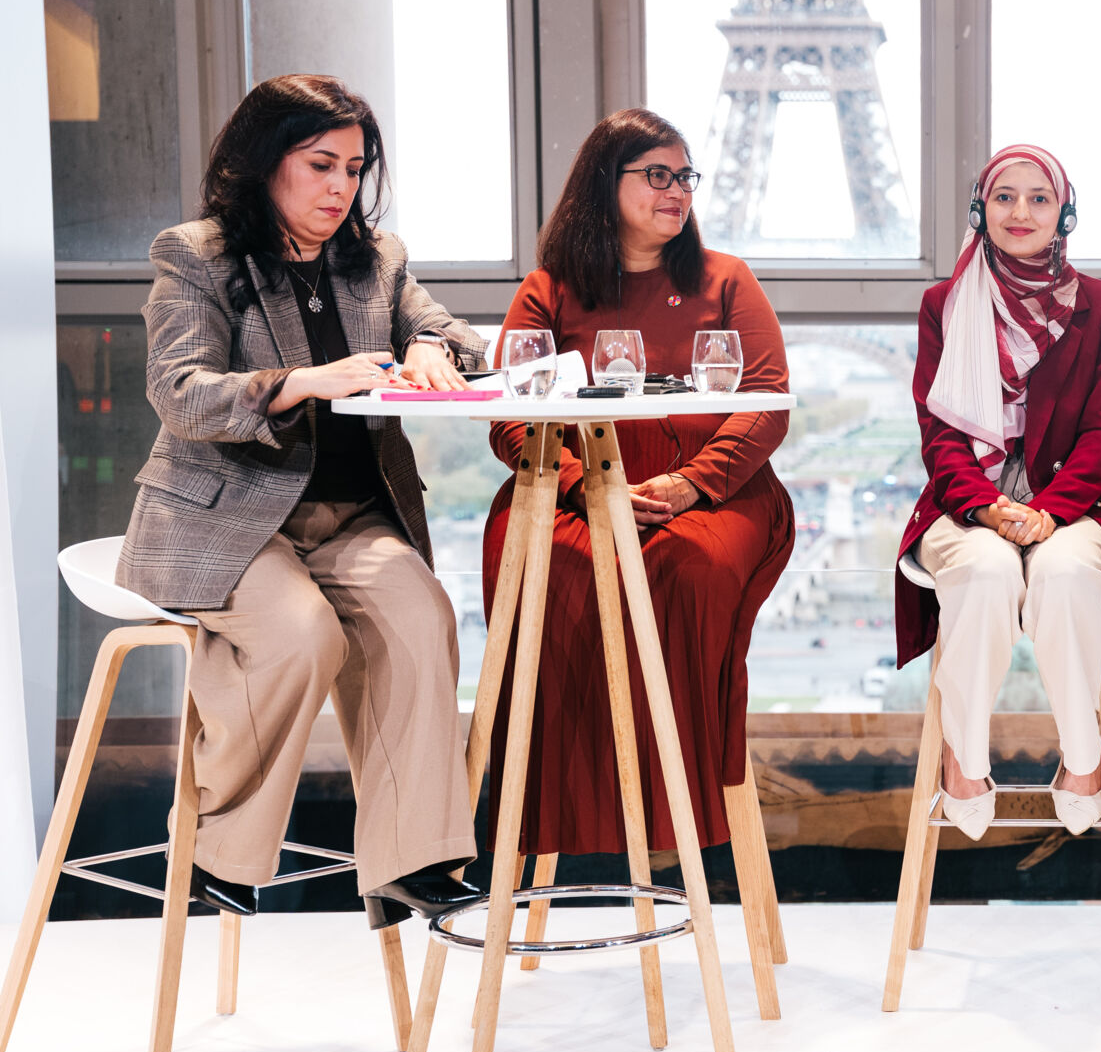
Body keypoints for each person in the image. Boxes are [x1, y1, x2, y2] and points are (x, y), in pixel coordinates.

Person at [121, 74, 487, 928]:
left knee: (421, 617)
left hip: (352, 519)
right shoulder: (196, 255)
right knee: (303, 635)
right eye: (321, 165)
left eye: (355, 170)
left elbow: (461, 338)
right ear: (263, 162)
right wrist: (295, 384)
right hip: (226, 519)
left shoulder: (376, 260)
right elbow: (179, 392)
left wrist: (434, 347)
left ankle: (414, 859)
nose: (340, 189)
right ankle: (219, 850)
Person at [481, 108, 793, 855]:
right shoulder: (548, 289)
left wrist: (692, 484)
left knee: (692, 569)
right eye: (658, 174)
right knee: (555, 571)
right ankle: (559, 804)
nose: (678, 189)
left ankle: (677, 808)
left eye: (686, 175)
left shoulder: (727, 279)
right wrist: (585, 485)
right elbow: (509, 419)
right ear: (603, 182)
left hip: (712, 487)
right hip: (570, 484)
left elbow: (769, 399)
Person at [894, 144, 1101, 840]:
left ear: (1064, 211)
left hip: (1074, 501)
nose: (1021, 212)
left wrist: (1046, 512)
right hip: (966, 499)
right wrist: (985, 505)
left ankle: (1081, 759)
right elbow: (939, 432)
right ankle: (966, 760)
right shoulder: (944, 304)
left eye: (1039, 197)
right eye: (1004, 196)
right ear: (981, 209)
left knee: (1067, 571)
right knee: (981, 570)